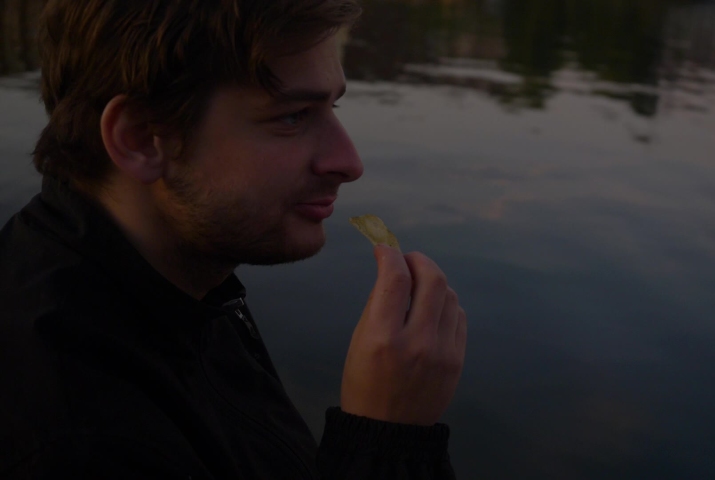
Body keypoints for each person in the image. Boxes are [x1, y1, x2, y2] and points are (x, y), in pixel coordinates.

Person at [0, 0, 467, 478]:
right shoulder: (71, 437)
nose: (349, 162)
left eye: (333, 105)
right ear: (140, 138)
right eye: (292, 116)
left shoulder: (179, 281)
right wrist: (386, 440)